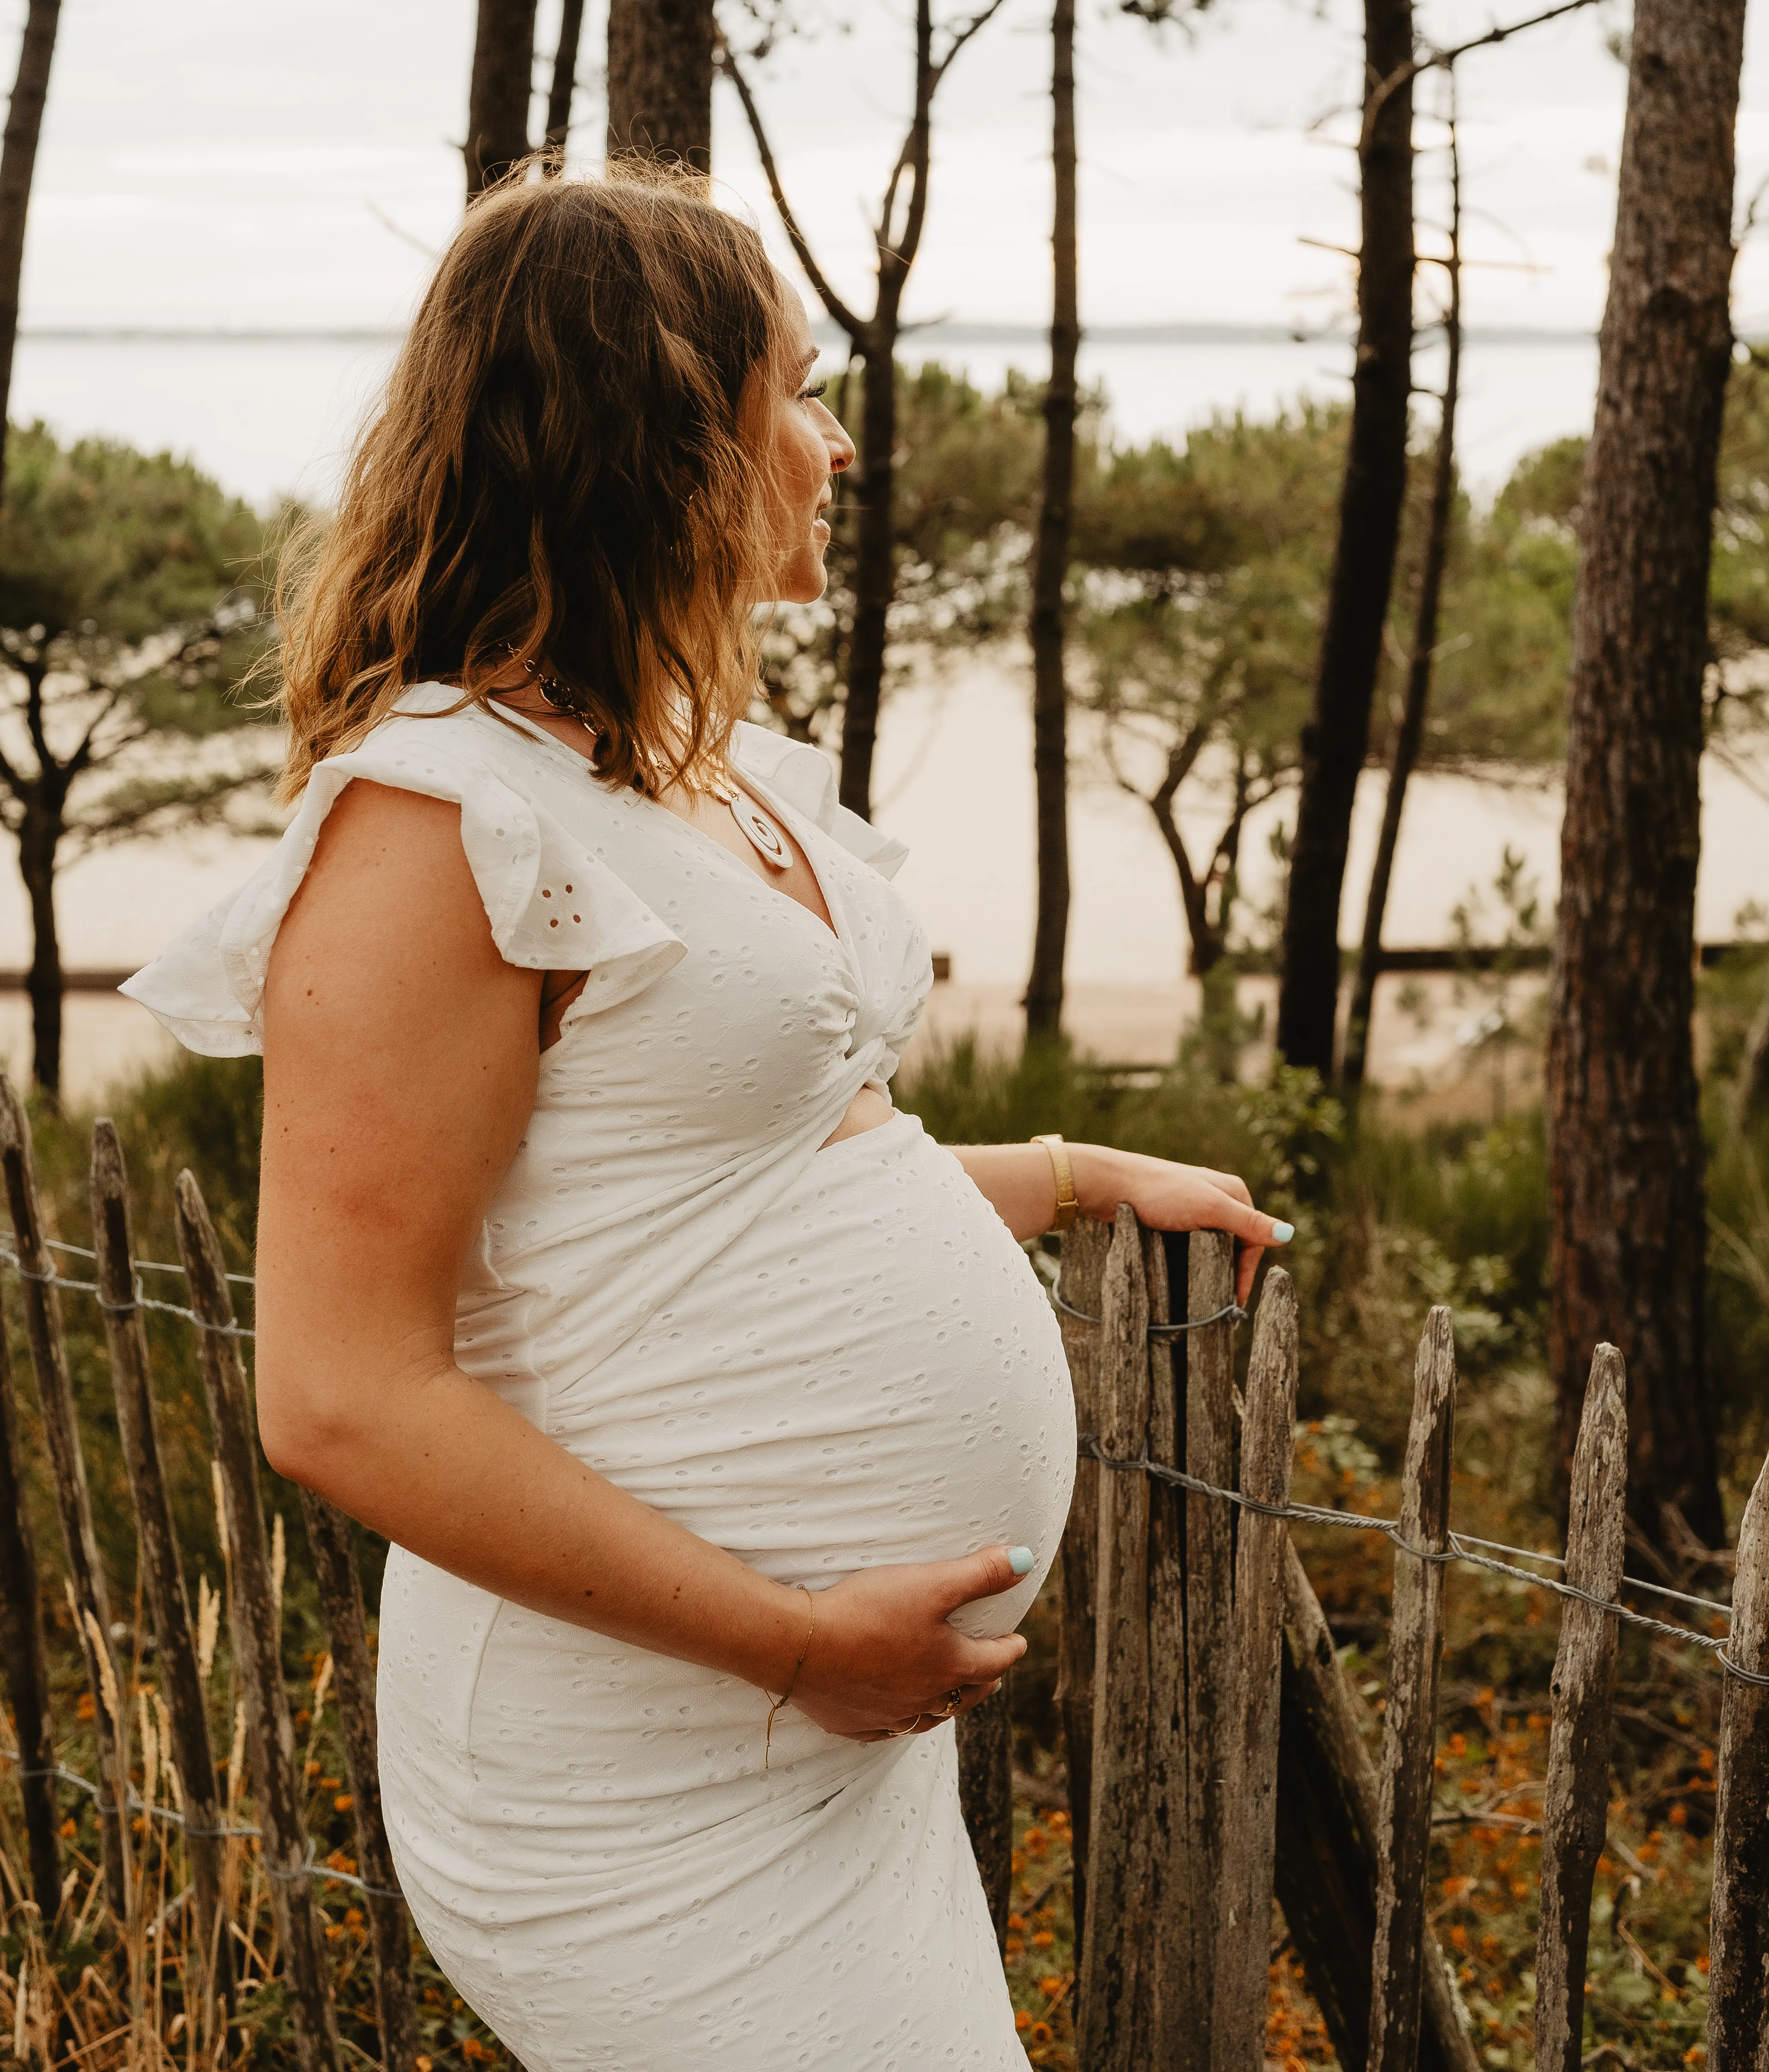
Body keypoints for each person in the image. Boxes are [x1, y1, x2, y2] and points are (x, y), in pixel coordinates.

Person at [124, 172, 1294, 2072]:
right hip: (645, 1753)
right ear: (660, 438)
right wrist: (796, 1645)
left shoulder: (685, 772)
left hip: (815, 1733)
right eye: (799, 399)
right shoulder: (434, 828)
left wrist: (1070, 1176)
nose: (836, 449)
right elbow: (339, 1395)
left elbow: (725, 1182)